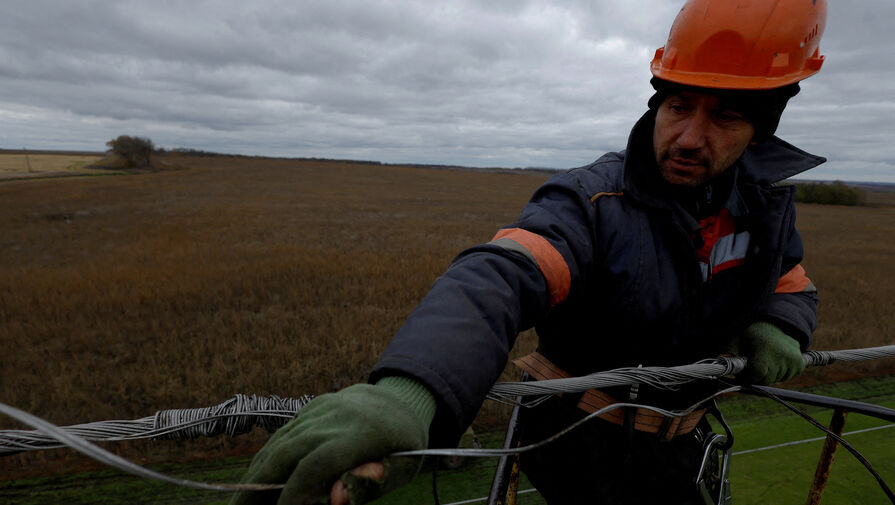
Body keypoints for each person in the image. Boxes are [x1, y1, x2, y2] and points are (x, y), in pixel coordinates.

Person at [231, 0, 827, 503]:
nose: (690, 137)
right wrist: (410, 395)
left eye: (723, 116)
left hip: (683, 448)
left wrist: (783, 326)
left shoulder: (762, 204)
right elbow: (501, 277)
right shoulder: (594, 202)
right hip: (573, 446)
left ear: (761, 130)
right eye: (677, 107)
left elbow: (788, 277)